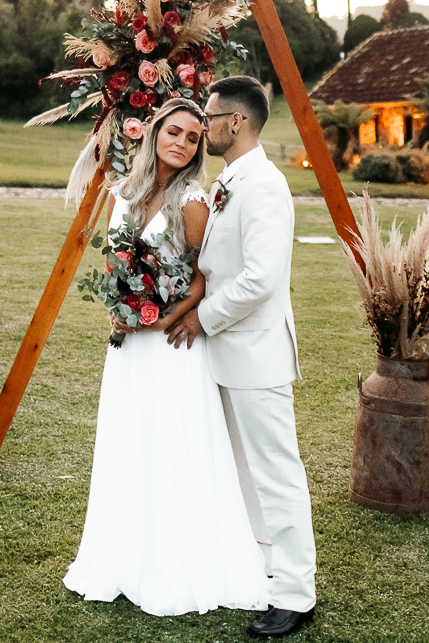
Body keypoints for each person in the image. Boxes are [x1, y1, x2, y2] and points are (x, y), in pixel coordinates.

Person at [62, 98, 270, 617]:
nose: (181, 142)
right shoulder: (126, 192)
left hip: (172, 345)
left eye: (193, 137)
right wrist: (118, 305)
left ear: (199, 148)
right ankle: (125, 556)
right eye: (173, 132)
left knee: (175, 443)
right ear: (155, 133)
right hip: (129, 348)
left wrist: (163, 315)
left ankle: (182, 562)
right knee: (130, 440)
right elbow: (114, 261)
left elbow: (206, 276)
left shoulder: (195, 200)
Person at [165, 76, 317, 638]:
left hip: (255, 353)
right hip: (229, 352)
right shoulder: (231, 179)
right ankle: (264, 570)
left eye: (209, 117)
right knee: (245, 472)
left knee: (276, 472)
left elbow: (260, 278)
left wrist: (200, 319)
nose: (202, 127)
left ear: (236, 122)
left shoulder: (266, 186)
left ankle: (297, 593)